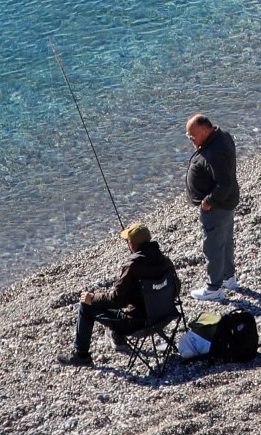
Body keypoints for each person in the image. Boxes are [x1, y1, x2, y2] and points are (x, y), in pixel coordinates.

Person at [58, 222, 178, 367]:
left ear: (133, 244)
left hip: (140, 324)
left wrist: (93, 297)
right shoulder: (165, 260)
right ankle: (118, 338)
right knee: (128, 301)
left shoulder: (132, 266)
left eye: (128, 241)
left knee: (86, 306)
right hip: (165, 315)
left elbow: (116, 300)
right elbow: (176, 289)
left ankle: (81, 355)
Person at [185, 113, 241, 301]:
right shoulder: (221, 136)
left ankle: (214, 288)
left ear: (206, 130)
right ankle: (228, 277)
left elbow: (223, 183)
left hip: (217, 206)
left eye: (192, 135)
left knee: (214, 245)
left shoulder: (215, 152)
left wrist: (209, 201)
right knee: (225, 240)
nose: (190, 139)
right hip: (227, 203)